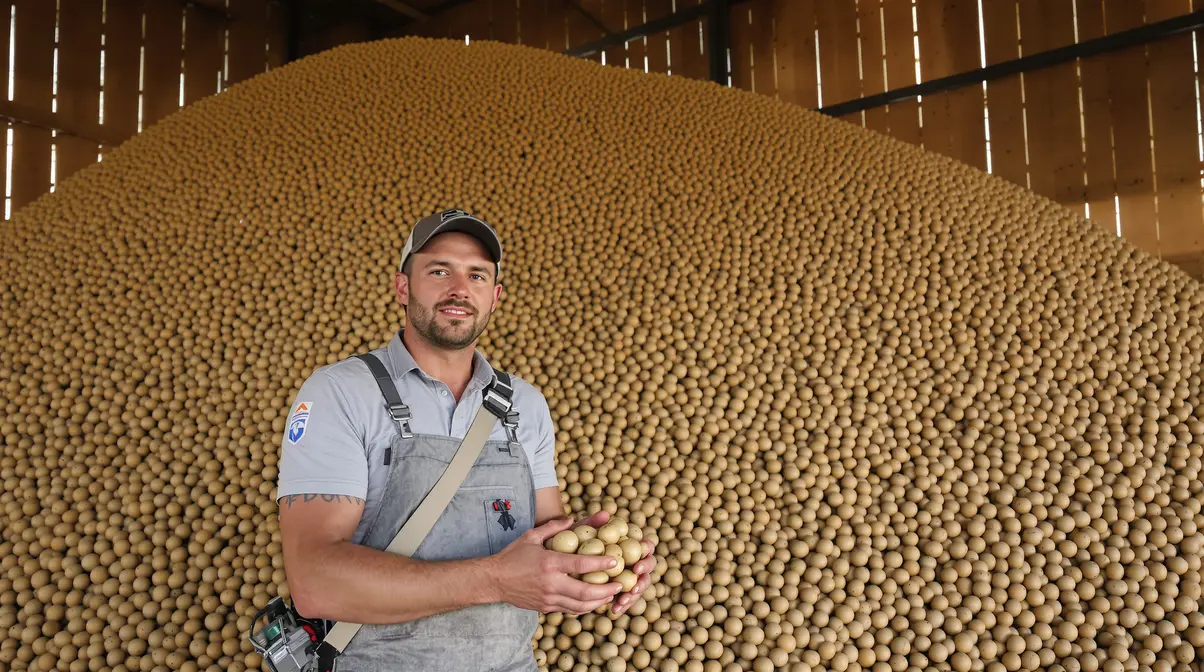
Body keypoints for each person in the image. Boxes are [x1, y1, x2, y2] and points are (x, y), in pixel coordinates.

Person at [276, 209, 657, 671]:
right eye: (439, 271)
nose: (459, 289)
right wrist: (495, 580)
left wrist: (600, 567)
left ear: (494, 297)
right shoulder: (340, 392)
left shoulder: (526, 406)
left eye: (476, 275)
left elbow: (550, 538)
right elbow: (315, 583)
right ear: (403, 287)